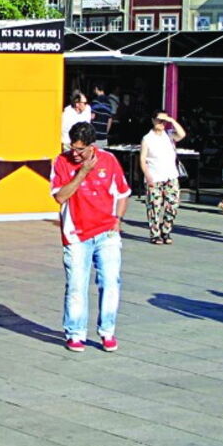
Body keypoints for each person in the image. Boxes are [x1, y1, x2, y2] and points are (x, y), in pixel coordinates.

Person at [50, 121, 131, 353]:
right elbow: (60, 197)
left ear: (91, 146)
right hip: (76, 235)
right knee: (77, 285)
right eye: (72, 148)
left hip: (106, 233)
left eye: (80, 149)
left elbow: (123, 193)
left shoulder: (109, 160)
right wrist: (83, 172)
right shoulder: (61, 162)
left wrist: (118, 220)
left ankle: (107, 331)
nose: (75, 153)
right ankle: (75, 333)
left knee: (110, 282)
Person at [140, 111, 187, 245]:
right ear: (153, 120)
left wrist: (171, 120)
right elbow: (142, 159)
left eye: (163, 121)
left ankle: (166, 230)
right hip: (154, 176)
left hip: (170, 175)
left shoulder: (169, 134)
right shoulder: (147, 138)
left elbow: (182, 135)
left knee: (173, 204)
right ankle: (155, 233)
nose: (161, 123)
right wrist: (147, 175)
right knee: (154, 206)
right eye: (159, 120)